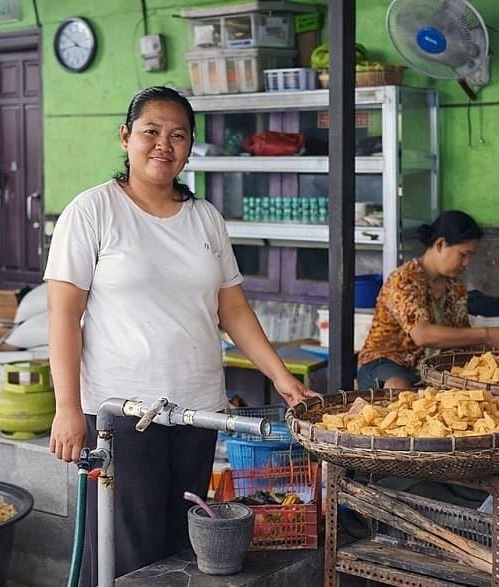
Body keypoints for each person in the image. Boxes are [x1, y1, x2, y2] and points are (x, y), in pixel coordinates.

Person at [44, 86, 319, 584]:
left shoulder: (205, 218)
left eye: (177, 135)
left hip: (197, 408)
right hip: (121, 413)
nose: (163, 145)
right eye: (151, 132)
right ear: (126, 137)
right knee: (125, 548)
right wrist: (66, 406)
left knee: (182, 548)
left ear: (190, 147)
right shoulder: (93, 212)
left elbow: (231, 307)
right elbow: (64, 314)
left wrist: (281, 378)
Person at [356, 210, 499, 389]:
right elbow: (422, 335)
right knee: (398, 387)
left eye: (470, 256)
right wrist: (488, 334)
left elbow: (461, 337)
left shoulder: (455, 287)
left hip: (427, 367)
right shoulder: (405, 279)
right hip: (385, 362)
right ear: (440, 244)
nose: (466, 263)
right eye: (463, 254)